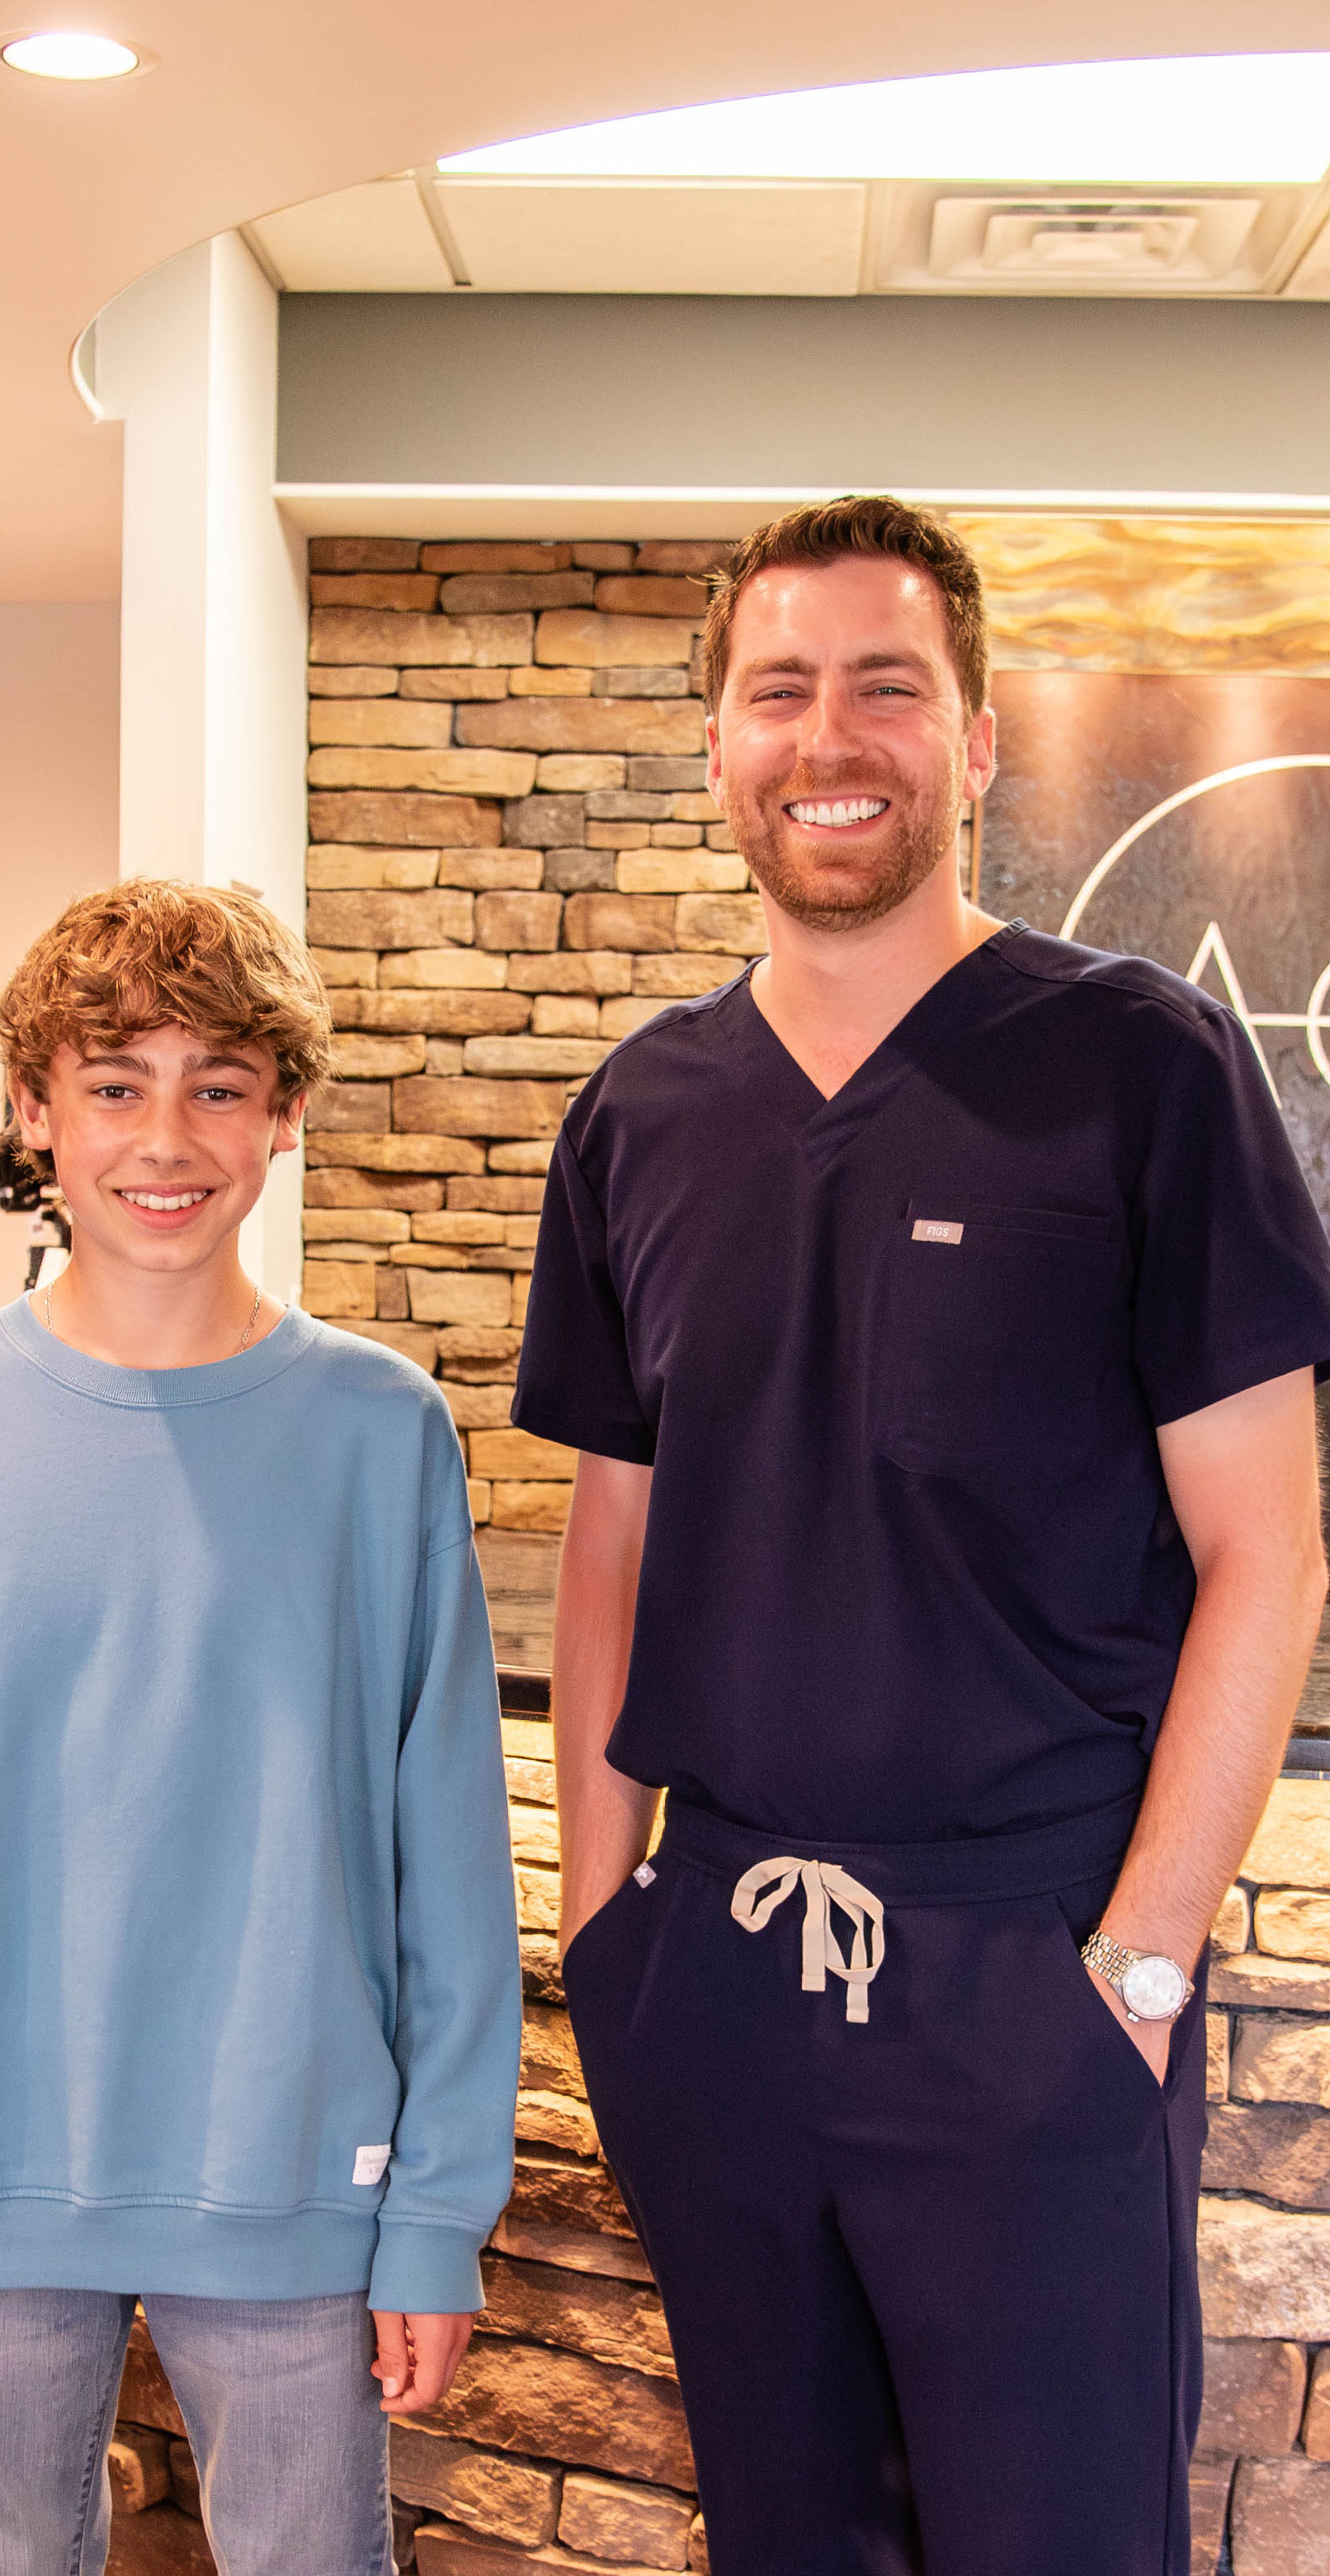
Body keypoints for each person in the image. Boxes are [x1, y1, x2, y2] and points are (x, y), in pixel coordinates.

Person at [512, 495, 1330, 2576]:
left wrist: (1130, 1970)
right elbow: (611, 1542)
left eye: (888, 684)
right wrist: (615, 1939)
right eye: (775, 690)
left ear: (975, 742)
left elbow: (1269, 1551)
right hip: (721, 1975)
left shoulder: (1140, 1068)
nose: (829, 734)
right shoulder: (641, 1111)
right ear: (716, 746)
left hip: (1026, 1973)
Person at [0, 879, 521, 2576]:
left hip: (298, 2178)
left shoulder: (378, 1434)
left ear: (284, 1114)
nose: (163, 1136)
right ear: (32, 1109)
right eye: (112, 1083)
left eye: (218, 1084)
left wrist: (435, 2214)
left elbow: (447, 1865)